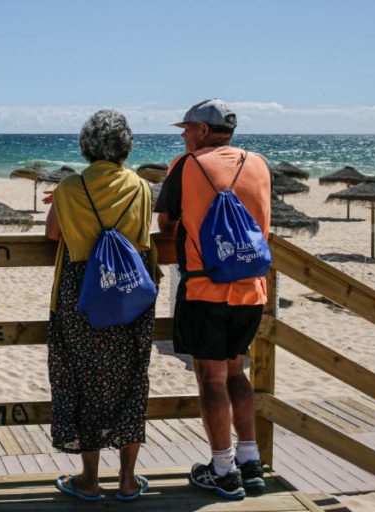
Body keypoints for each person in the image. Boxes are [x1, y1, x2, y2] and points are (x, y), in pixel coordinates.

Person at [155, 99, 272, 500]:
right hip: (252, 288)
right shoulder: (259, 164)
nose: (184, 135)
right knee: (237, 372)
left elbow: (167, 222)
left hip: (205, 289)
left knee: (211, 379)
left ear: (204, 131)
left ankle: (223, 470)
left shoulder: (186, 166)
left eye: (187, 128)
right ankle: (250, 462)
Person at [45, 109, 160, 502]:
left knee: (80, 381)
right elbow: (144, 237)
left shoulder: (69, 187)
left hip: (81, 292)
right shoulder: (142, 187)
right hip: (130, 293)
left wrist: (62, 201)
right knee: (131, 381)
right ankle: (128, 480)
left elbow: (52, 233)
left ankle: (89, 480)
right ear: (126, 147)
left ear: (86, 146)